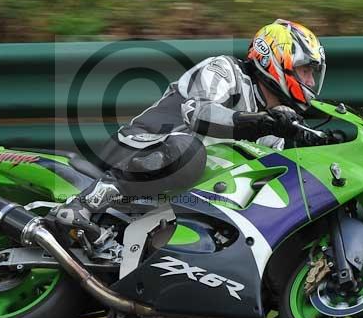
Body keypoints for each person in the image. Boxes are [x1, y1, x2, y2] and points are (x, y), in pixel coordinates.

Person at [46, 19, 327, 242]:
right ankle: (85, 203)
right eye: (304, 70)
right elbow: (199, 113)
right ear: (273, 59)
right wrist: (256, 121)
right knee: (191, 152)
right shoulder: (225, 70)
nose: (310, 79)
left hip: (180, 192)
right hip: (140, 148)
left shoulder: (277, 130)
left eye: (313, 72)